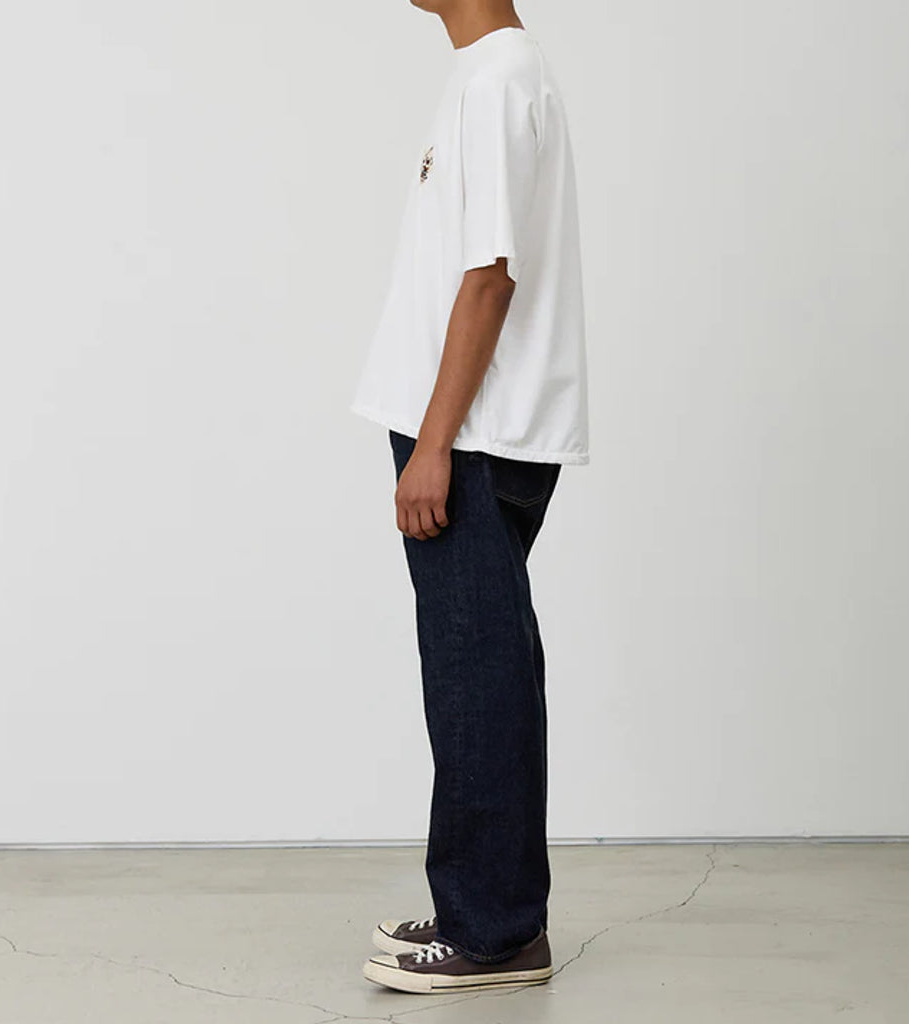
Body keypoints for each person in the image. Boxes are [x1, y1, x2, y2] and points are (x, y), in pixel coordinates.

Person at [350, 0, 589, 994]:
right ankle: (479, 907)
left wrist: (434, 443)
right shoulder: (492, 74)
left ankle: (494, 931)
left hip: (471, 436)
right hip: (472, 429)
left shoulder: (496, 79)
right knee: (479, 669)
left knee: (475, 675)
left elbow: (489, 278)